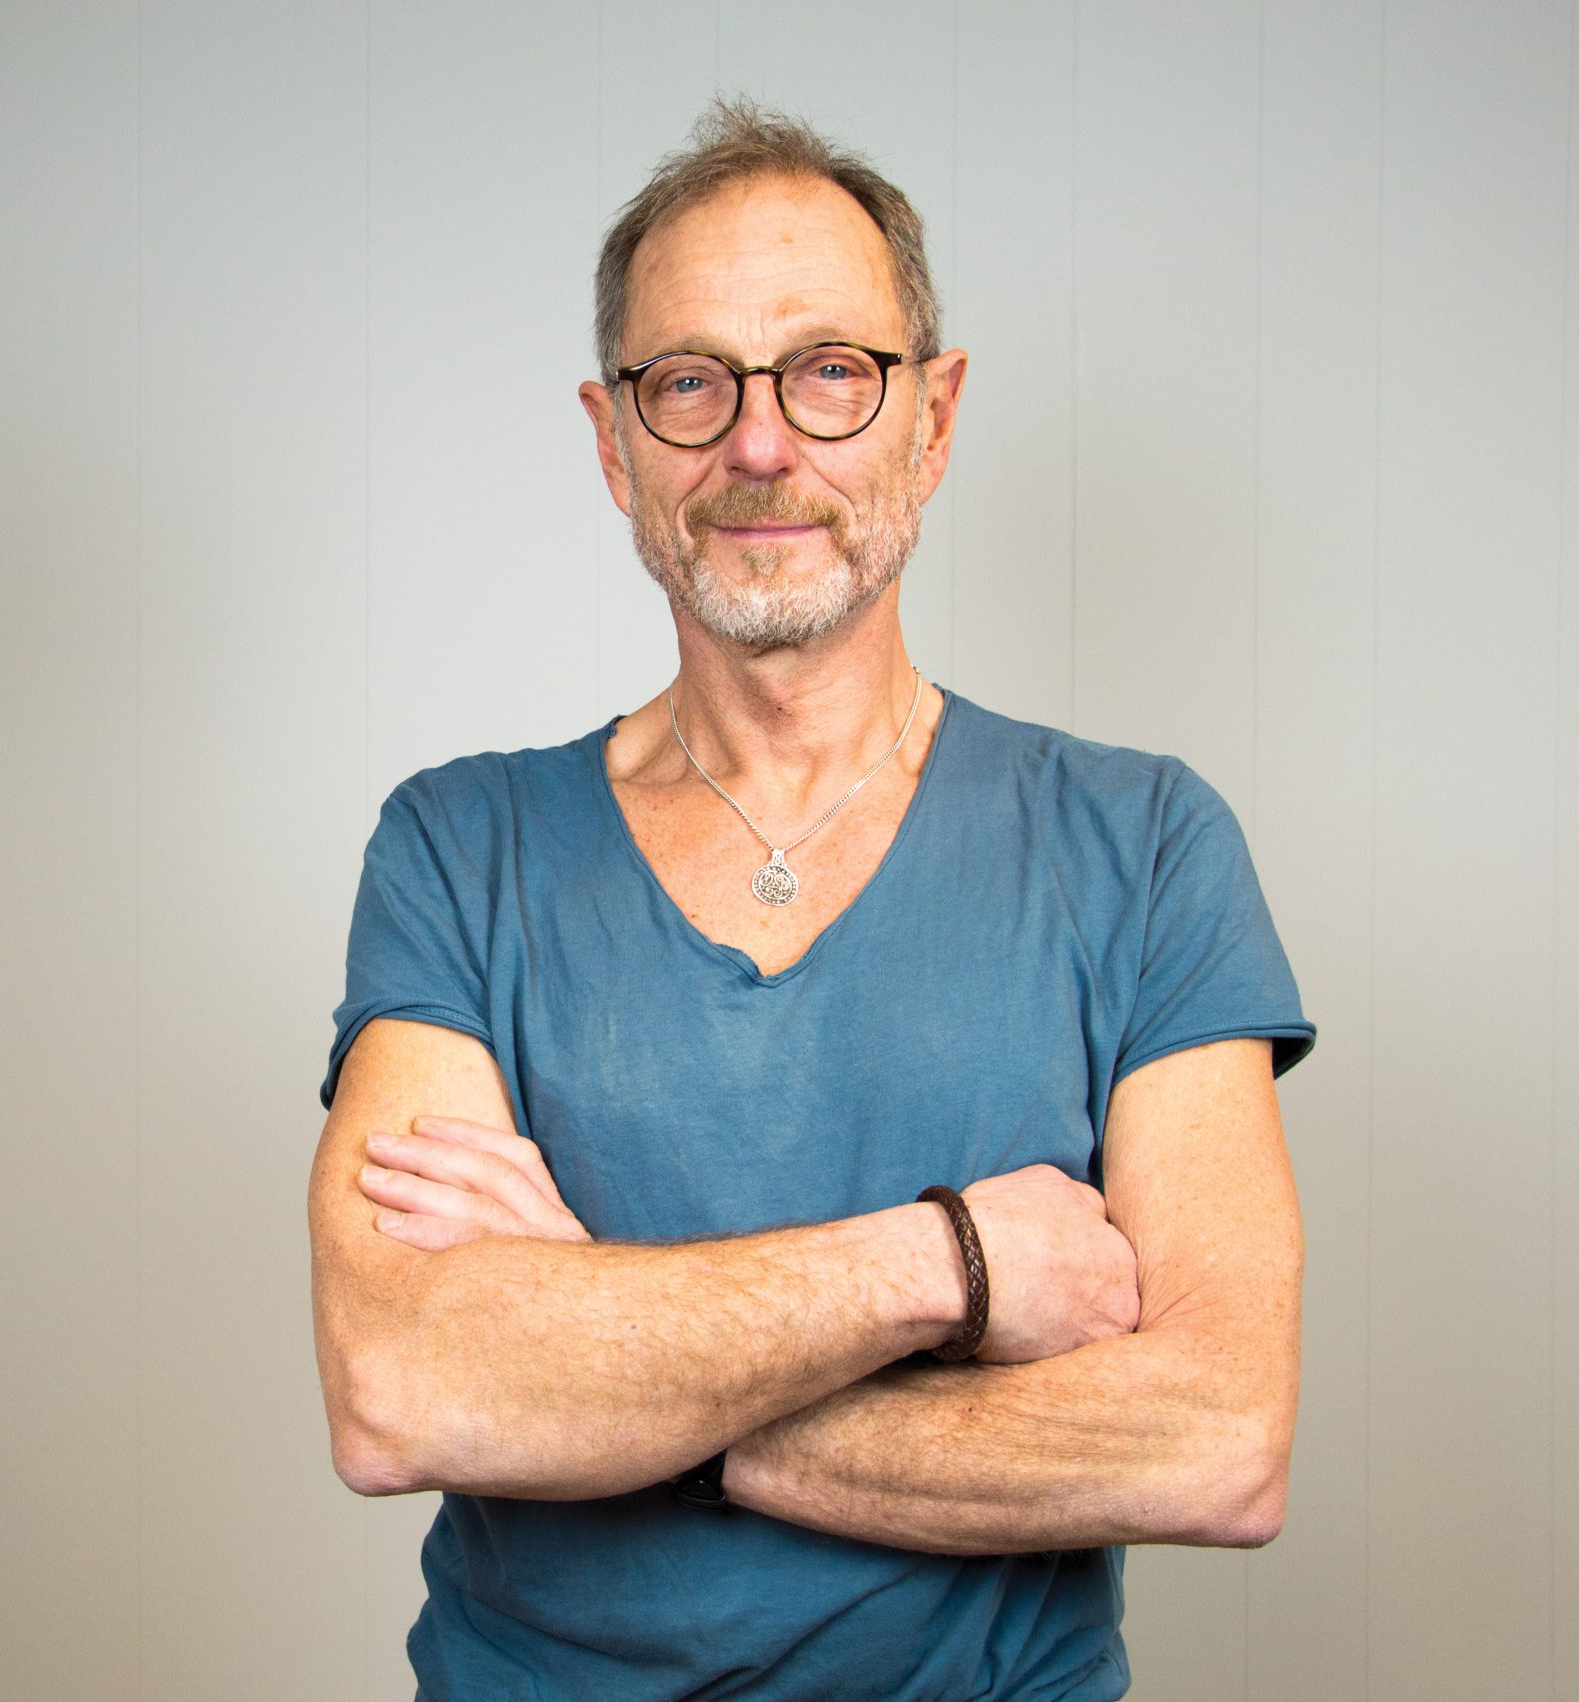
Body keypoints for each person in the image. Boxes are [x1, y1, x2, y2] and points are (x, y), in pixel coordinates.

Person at [307, 94, 1314, 1702]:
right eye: (689, 382)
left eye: (832, 371)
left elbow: (1216, 1437)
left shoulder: (1144, 846)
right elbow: (404, 1387)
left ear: (935, 415)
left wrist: (622, 1371)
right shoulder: (458, 847)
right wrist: (952, 1261)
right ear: (614, 441)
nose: (762, 446)